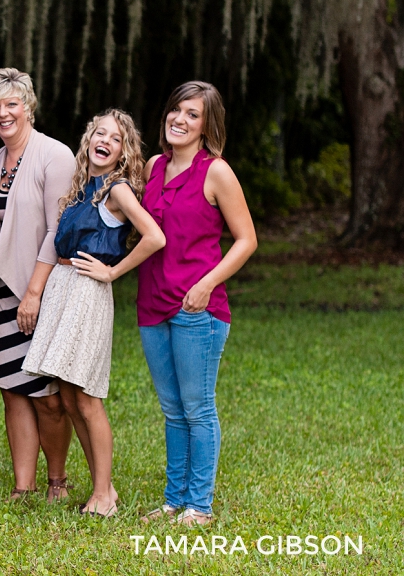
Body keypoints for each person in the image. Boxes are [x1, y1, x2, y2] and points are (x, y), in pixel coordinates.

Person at [23, 110, 165, 517]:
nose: (105, 141)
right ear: (89, 140)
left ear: (124, 151)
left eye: (115, 138)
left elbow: (155, 236)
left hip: (88, 292)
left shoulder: (118, 190)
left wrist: (113, 271)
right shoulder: (84, 187)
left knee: (86, 397)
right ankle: (104, 486)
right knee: (67, 395)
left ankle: (103, 494)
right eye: (99, 133)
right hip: (63, 288)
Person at [137, 81, 257, 527]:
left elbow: (247, 240)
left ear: (207, 125)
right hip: (152, 303)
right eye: (175, 110)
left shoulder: (217, 172)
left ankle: (199, 506)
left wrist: (208, 284)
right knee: (172, 409)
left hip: (197, 307)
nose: (179, 120)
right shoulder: (152, 166)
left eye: (192, 114)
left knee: (198, 407)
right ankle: (174, 500)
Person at [0, 68, 75, 502]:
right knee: (11, 389)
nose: (3, 113)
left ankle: (57, 480)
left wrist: (33, 292)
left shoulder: (55, 155)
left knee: (47, 394)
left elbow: (59, 229)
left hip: (42, 289)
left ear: (28, 106)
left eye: (11, 104)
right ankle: (23, 485)